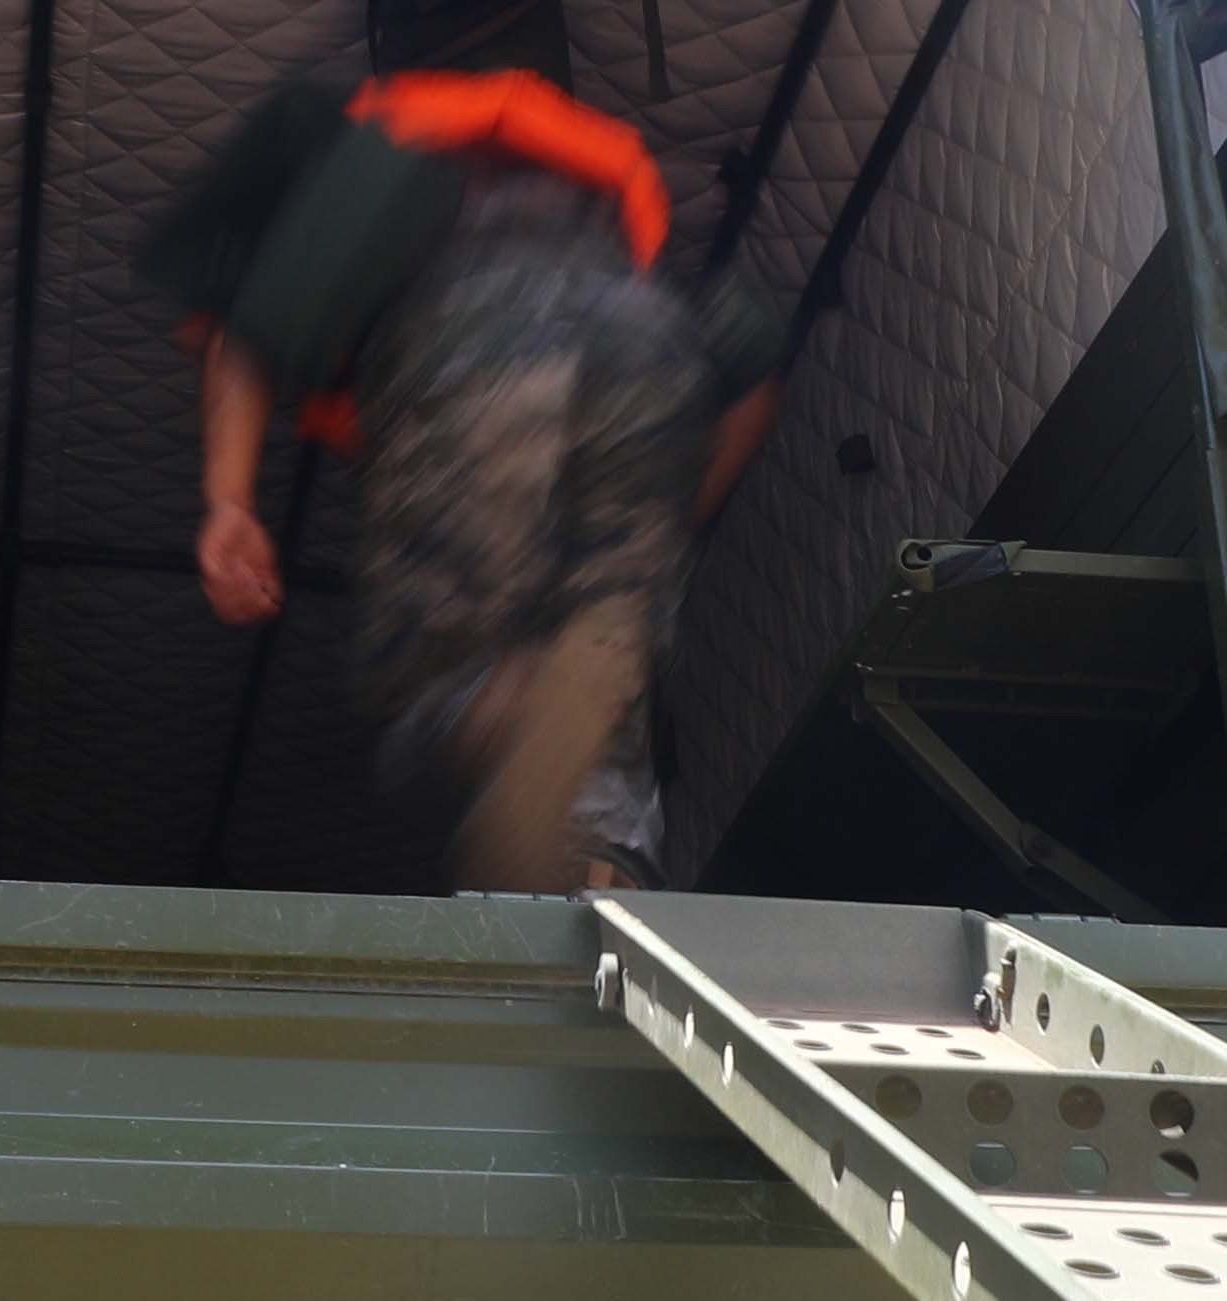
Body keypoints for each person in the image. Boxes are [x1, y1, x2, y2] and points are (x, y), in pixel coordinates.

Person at [148, 71, 780, 896]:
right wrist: (645, 541)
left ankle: (501, 695)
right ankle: (600, 875)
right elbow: (756, 367)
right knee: (605, 694)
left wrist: (228, 505)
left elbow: (245, 339)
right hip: (649, 343)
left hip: (469, 344)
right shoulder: (567, 187)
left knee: (443, 658)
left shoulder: (352, 168)